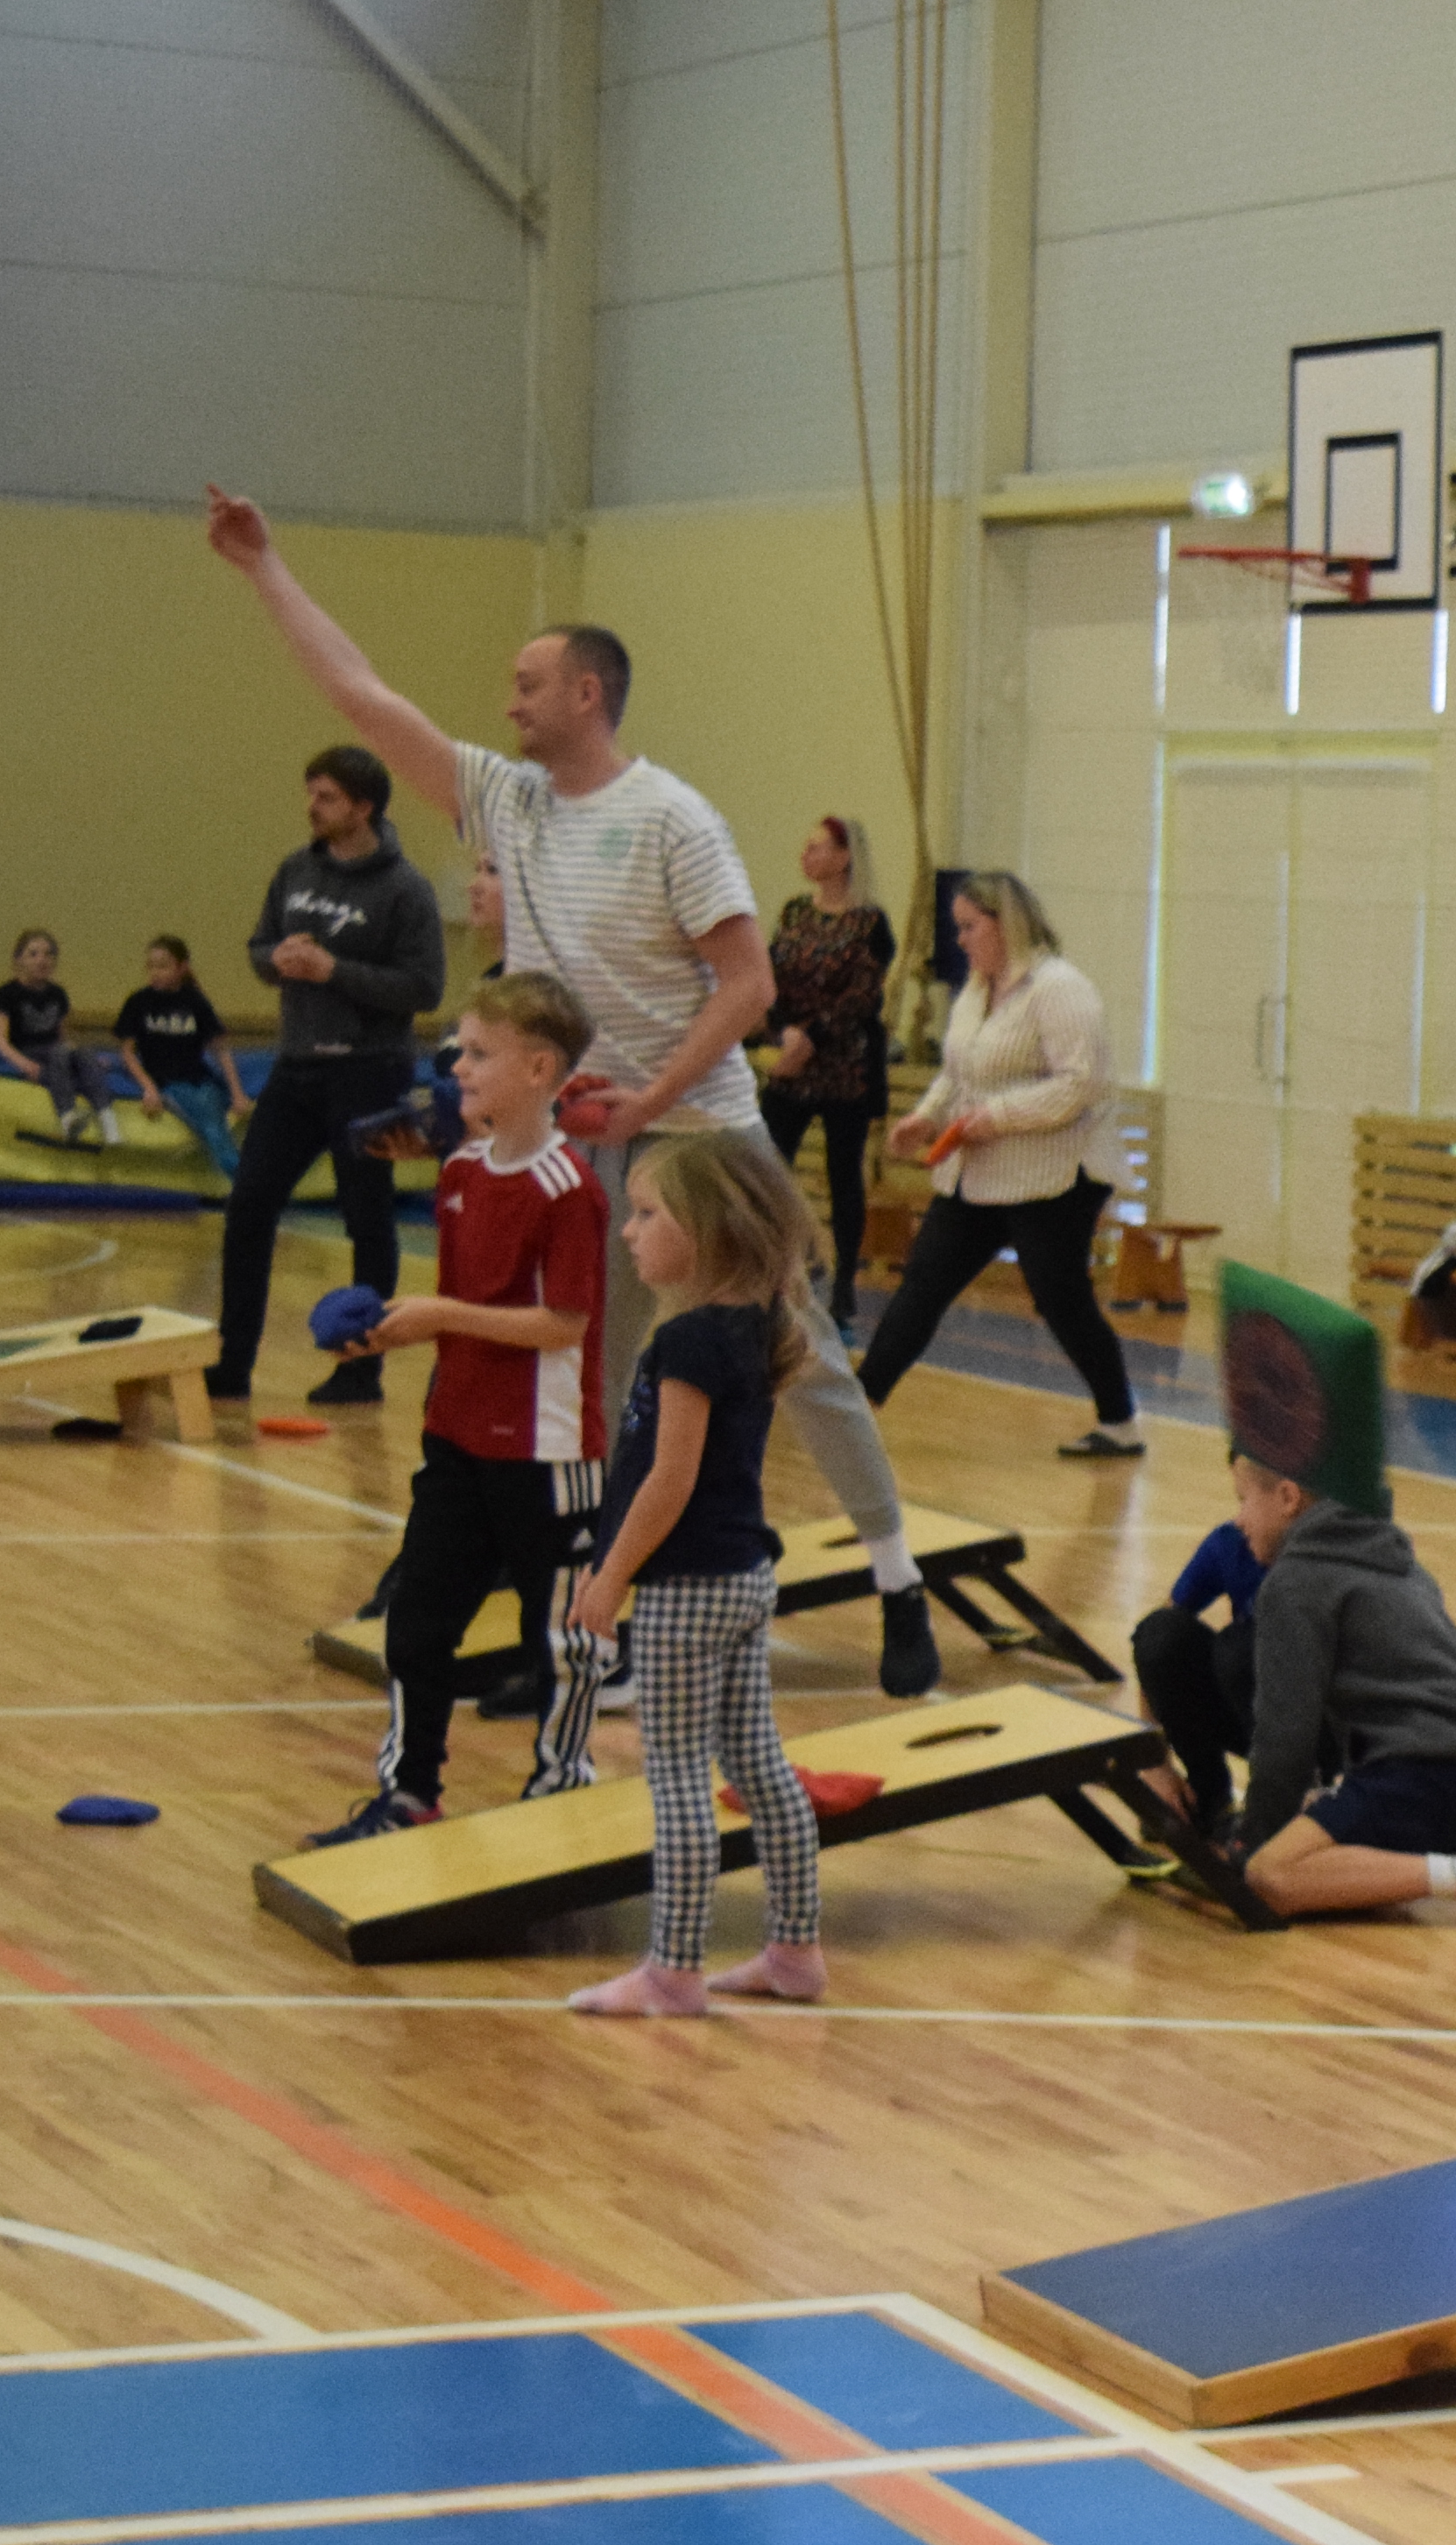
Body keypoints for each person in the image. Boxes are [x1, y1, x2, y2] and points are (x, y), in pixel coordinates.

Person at [201, 484, 943, 1697]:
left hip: (699, 1137)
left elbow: (750, 987)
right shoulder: (505, 798)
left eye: (528, 685)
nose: (508, 702)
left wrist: (648, 1103)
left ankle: (898, 1580)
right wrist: (263, 566)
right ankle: (594, 1630)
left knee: (800, 1365)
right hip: (583, 1146)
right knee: (596, 1390)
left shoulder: (673, 819)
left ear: (586, 694)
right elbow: (361, 695)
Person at [1127, 1271, 1456, 1938]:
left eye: (1246, 1500)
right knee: (1306, 1859)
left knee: (1272, 1877)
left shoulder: (1302, 1579)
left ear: (1290, 1498)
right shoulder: (1389, 1554)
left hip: (1418, 1774)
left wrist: (1254, 1843)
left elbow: (1286, 1733)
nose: (1238, 1520)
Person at [300, 973, 612, 1847]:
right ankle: (409, 1790)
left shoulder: (567, 1189)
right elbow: (464, 1305)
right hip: (458, 1438)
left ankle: (562, 1785)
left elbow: (564, 1324)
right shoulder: (463, 1172)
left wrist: (440, 1316)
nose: (458, 1068)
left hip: (546, 1454)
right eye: (461, 1050)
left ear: (540, 1067)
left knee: (556, 1640)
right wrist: (396, 1331)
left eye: (479, 1053)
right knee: (417, 1624)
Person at [564, 1137, 831, 2020]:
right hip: (745, 1576)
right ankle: (795, 1948)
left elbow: (667, 1480)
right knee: (757, 1763)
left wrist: (608, 1579)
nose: (631, 1232)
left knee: (676, 1771)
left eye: (648, 1216)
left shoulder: (688, 1339)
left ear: (709, 1232)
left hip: (686, 1586)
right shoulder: (755, 1325)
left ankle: (673, 1970)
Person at [856, 871, 1143, 1454]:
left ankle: (1120, 1422)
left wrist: (996, 1117)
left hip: (1056, 1176)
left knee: (1060, 1298)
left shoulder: (1060, 988)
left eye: (968, 927)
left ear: (1004, 922)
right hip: (977, 1174)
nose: (959, 940)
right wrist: (928, 1117)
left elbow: (1081, 1085)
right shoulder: (976, 989)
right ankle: (859, 1408)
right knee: (923, 1285)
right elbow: (958, 1072)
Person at [209, 743, 444, 1410]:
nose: (311, 807)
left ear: (364, 808)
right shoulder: (294, 871)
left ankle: (359, 1368)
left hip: (368, 1073)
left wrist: (334, 970)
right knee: (249, 1203)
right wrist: (275, 958)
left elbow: (424, 988)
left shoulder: (405, 888)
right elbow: (259, 950)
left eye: (327, 798)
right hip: (297, 1067)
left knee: (367, 1221)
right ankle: (231, 1362)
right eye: (311, 794)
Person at [758, 817, 897, 1329]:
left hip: (844, 1068)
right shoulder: (794, 911)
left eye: (817, 847)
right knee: (766, 1166)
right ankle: (779, 1268)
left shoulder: (870, 923)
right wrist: (779, 1033)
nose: (806, 855)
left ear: (844, 857)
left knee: (843, 1178)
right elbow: (772, 975)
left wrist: (809, 1038)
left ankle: (842, 1288)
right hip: (791, 1062)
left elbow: (862, 998)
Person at [114, 937, 248, 1184]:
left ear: (182, 967)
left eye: (163, 966)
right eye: (151, 966)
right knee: (212, 1127)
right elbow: (127, 1053)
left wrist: (238, 1093)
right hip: (168, 1082)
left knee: (216, 1116)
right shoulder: (139, 1002)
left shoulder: (195, 1002)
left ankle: (250, 1181)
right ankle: (245, 1182)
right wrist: (149, 1087)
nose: (155, 973)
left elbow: (220, 1050)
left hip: (198, 1077)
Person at [0, 933, 113, 1147]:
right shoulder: (7, 993)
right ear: (19, 960)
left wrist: (89, 1060)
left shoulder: (58, 994)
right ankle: (67, 1117)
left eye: (48, 955)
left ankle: (107, 1119)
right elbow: (0, 1040)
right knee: (60, 1058)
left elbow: (63, 1038)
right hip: (26, 1052)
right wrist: (24, 1064)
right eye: (33, 954)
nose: (41, 960)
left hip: (54, 1054)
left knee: (81, 1057)